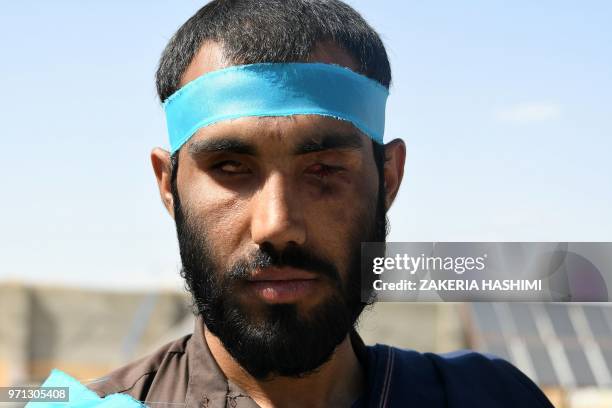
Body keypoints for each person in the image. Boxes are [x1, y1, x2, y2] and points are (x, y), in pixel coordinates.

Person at [88, 1, 554, 407]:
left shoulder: (489, 397)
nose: (277, 225)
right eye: (230, 167)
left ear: (388, 177)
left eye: (325, 168)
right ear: (168, 185)